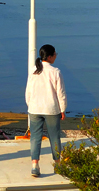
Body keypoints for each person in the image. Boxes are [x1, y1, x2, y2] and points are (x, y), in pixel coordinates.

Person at [25, 44, 67, 178]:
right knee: (54, 137)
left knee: (35, 138)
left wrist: (30, 104)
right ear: (49, 57)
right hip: (51, 109)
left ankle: (34, 165)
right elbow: (60, 93)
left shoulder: (33, 70)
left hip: (35, 108)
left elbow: (28, 91)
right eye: (55, 54)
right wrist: (63, 109)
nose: (55, 56)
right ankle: (58, 164)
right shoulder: (55, 72)